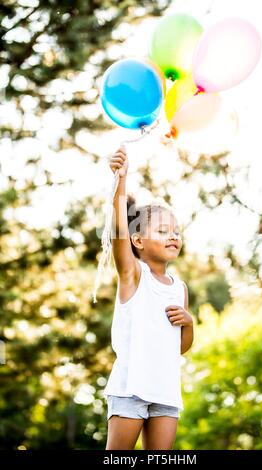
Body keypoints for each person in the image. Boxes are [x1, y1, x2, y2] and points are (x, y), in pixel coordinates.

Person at [104, 144, 194, 450]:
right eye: (164, 230)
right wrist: (120, 181)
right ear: (138, 240)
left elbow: (178, 346)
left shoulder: (179, 288)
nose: (173, 236)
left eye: (176, 231)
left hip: (166, 394)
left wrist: (190, 324)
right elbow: (118, 231)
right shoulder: (133, 274)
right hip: (131, 390)